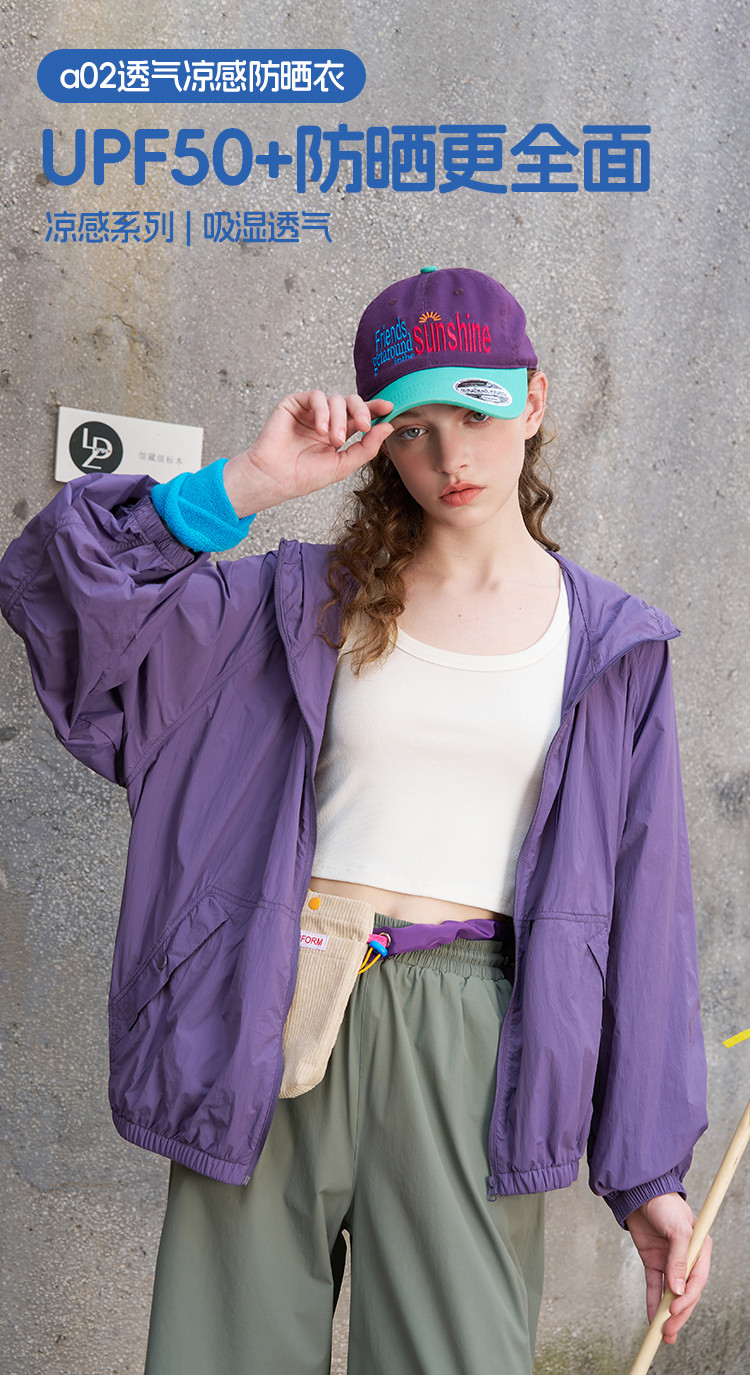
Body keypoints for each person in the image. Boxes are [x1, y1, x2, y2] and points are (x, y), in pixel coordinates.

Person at [0, 266, 711, 1375]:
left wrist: (648, 1177)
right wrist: (246, 483)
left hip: (475, 1033)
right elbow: (67, 596)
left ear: (533, 400)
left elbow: (646, 909)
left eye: (477, 412)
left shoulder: (611, 646)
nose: (450, 456)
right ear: (381, 440)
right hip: (275, 1002)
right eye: (415, 428)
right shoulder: (293, 604)